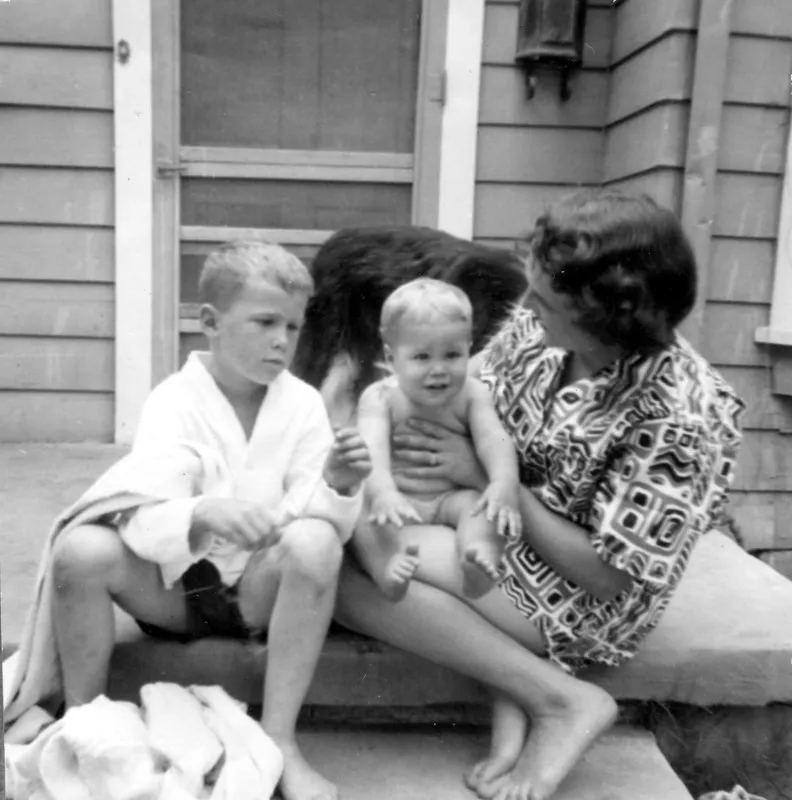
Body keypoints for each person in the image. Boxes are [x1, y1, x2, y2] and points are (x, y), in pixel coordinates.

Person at [334, 190, 744, 800]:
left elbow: (610, 577)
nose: (525, 307)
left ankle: (561, 701)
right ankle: (523, 694)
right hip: (490, 520)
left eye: (546, 301)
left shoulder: (680, 419)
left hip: (576, 593)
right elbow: (461, 396)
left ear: (605, 314)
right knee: (349, 528)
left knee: (345, 573)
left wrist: (486, 480)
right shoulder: (540, 330)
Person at [50, 240, 372, 800]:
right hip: (173, 593)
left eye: (294, 327)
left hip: (257, 593)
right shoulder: (173, 402)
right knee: (80, 551)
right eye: (265, 321)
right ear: (210, 322)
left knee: (318, 540)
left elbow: (319, 521)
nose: (282, 340)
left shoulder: (301, 406)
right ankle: (85, 720)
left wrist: (338, 485)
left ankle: (279, 741)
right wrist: (200, 512)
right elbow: (138, 515)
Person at [354, 278, 522, 602]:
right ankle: (385, 568)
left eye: (452, 355)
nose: (439, 369)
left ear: (469, 350)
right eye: (421, 357)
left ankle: (477, 556)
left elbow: (493, 439)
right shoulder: (380, 397)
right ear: (391, 359)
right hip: (397, 497)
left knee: (481, 505)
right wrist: (384, 492)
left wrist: (503, 482)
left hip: (449, 498)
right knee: (360, 510)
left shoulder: (473, 393)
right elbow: (371, 451)